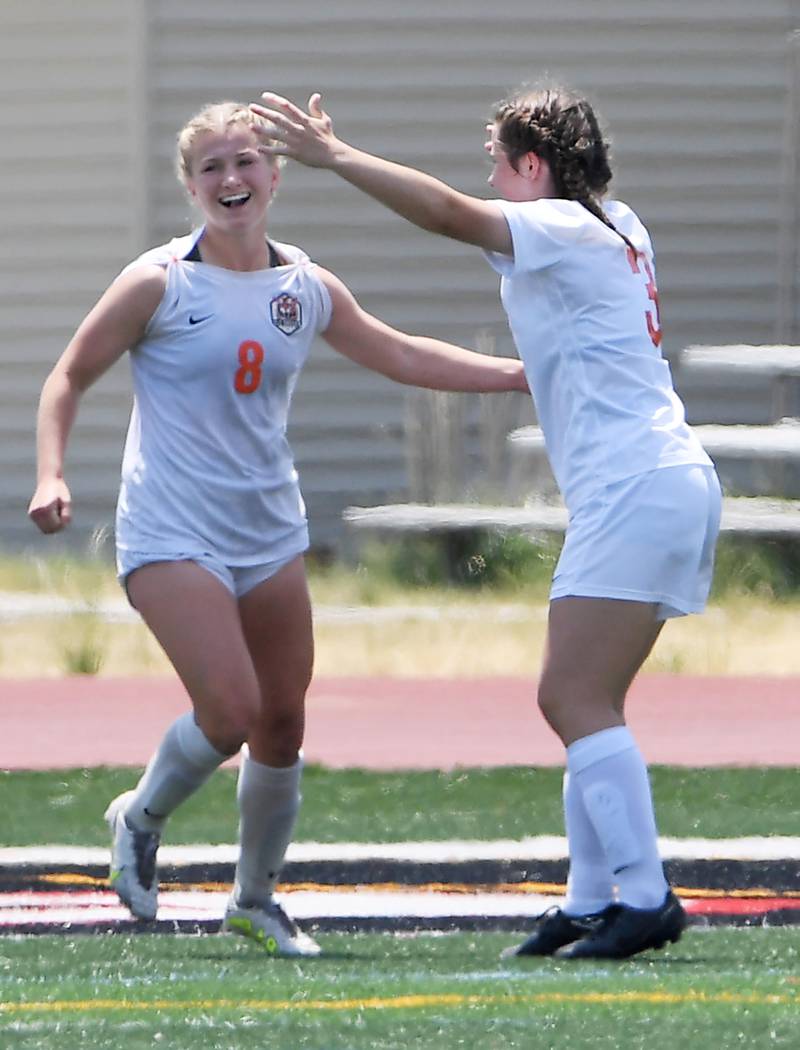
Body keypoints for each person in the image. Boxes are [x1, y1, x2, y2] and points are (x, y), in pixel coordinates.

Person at [28, 101, 528, 958]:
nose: (232, 180)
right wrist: (52, 471)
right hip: (172, 528)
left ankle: (255, 900)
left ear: (275, 175)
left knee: (283, 722)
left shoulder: (305, 284)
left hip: (268, 528)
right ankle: (140, 817)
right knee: (229, 711)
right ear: (191, 187)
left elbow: (400, 352)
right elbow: (68, 375)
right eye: (213, 168)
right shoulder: (159, 280)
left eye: (247, 162)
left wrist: (522, 375)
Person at [252, 85, 722, 960]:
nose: (494, 182)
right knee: (590, 701)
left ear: (534, 166)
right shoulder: (618, 222)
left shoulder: (570, 227)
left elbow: (449, 215)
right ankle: (590, 901)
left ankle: (647, 898)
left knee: (569, 697)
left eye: (503, 165)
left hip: (638, 484)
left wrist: (338, 157)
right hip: (658, 481)